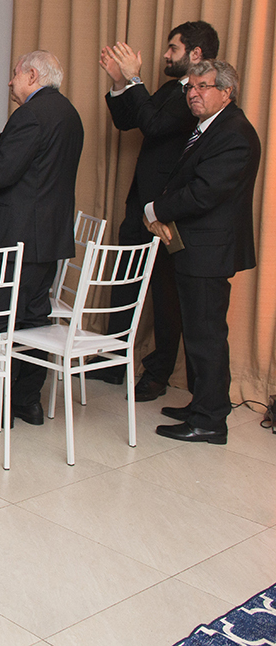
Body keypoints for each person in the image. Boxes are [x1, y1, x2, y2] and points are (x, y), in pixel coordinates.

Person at [0, 50, 84, 426]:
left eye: (14, 75)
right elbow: (37, 167)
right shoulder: (67, 113)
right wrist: (0, 148)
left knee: (0, 319)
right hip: (47, 235)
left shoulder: (29, 114)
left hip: (15, 237)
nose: (10, 82)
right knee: (33, 320)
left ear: (32, 74)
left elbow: (0, 176)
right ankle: (28, 401)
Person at [97, 21, 218, 400]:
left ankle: (158, 373)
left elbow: (152, 125)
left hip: (169, 211)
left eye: (173, 49)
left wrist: (134, 79)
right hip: (139, 204)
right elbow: (127, 120)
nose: (166, 55)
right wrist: (120, 84)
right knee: (124, 281)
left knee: (167, 296)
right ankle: (113, 362)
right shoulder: (170, 88)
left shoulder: (195, 97)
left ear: (195, 54)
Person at [147, 61, 260, 444]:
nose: (193, 93)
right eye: (190, 87)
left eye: (203, 87)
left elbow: (203, 192)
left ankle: (210, 420)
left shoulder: (234, 133)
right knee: (198, 333)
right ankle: (203, 405)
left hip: (209, 251)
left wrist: (154, 210)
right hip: (194, 248)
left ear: (226, 92)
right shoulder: (210, 128)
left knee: (206, 336)